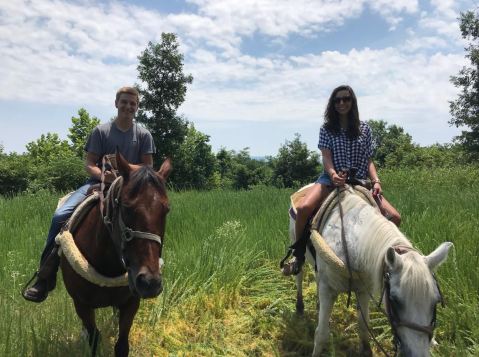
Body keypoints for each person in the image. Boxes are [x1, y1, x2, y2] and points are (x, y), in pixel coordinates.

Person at [24, 87, 156, 302]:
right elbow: (89, 165)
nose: (128, 107)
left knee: (151, 220)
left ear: (137, 107)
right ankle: (44, 277)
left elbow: (148, 167)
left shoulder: (144, 135)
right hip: (97, 183)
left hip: (132, 189)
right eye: (124, 102)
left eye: (133, 104)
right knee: (60, 217)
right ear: (116, 104)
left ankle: (152, 270)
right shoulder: (101, 131)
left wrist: (125, 171)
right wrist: (108, 177)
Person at [282, 85, 401, 276]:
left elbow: (369, 159)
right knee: (304, 208)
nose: (342, 103)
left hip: (359, 180)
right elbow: (326, 157)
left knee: (395, 217)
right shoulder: (327, 129)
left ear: (352, 101)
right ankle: (299, 255)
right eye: (337, 100)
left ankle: (383, 259)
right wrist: (333, 175)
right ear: (332, 104)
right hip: (331, 179)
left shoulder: (365, 129)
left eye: (346, 99)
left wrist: (376, 181)